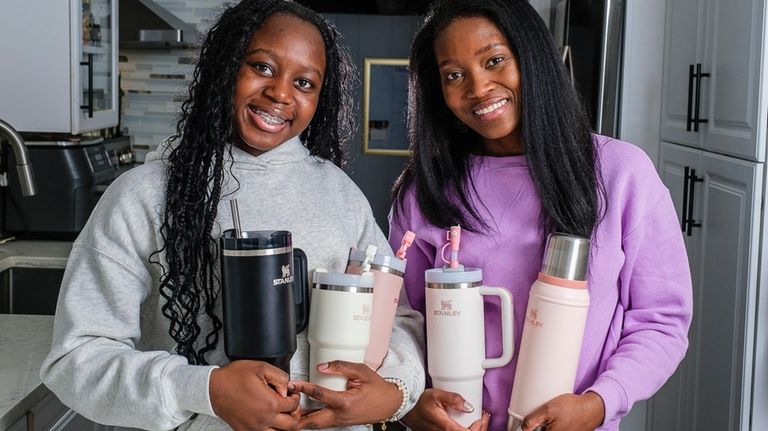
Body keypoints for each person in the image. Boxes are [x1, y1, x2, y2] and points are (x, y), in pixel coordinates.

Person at [40, 1, 425, 430]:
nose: (280, 93)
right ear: (225, 67)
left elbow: (398, 318)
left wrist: (395, 390)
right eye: (261, 67)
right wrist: (205, 389)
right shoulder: (143, 195)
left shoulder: (340, 194)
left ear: (321, 97)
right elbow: (76, 359)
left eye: (303, 82)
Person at [388, 0, 693, 430]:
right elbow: (402, 322)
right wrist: (412, 403)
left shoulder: (620, 173)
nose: (478, 88)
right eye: (453, 75)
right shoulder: (423, 193)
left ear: (531, 56)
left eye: (495, 60)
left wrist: (600, 403)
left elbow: (661, 321)